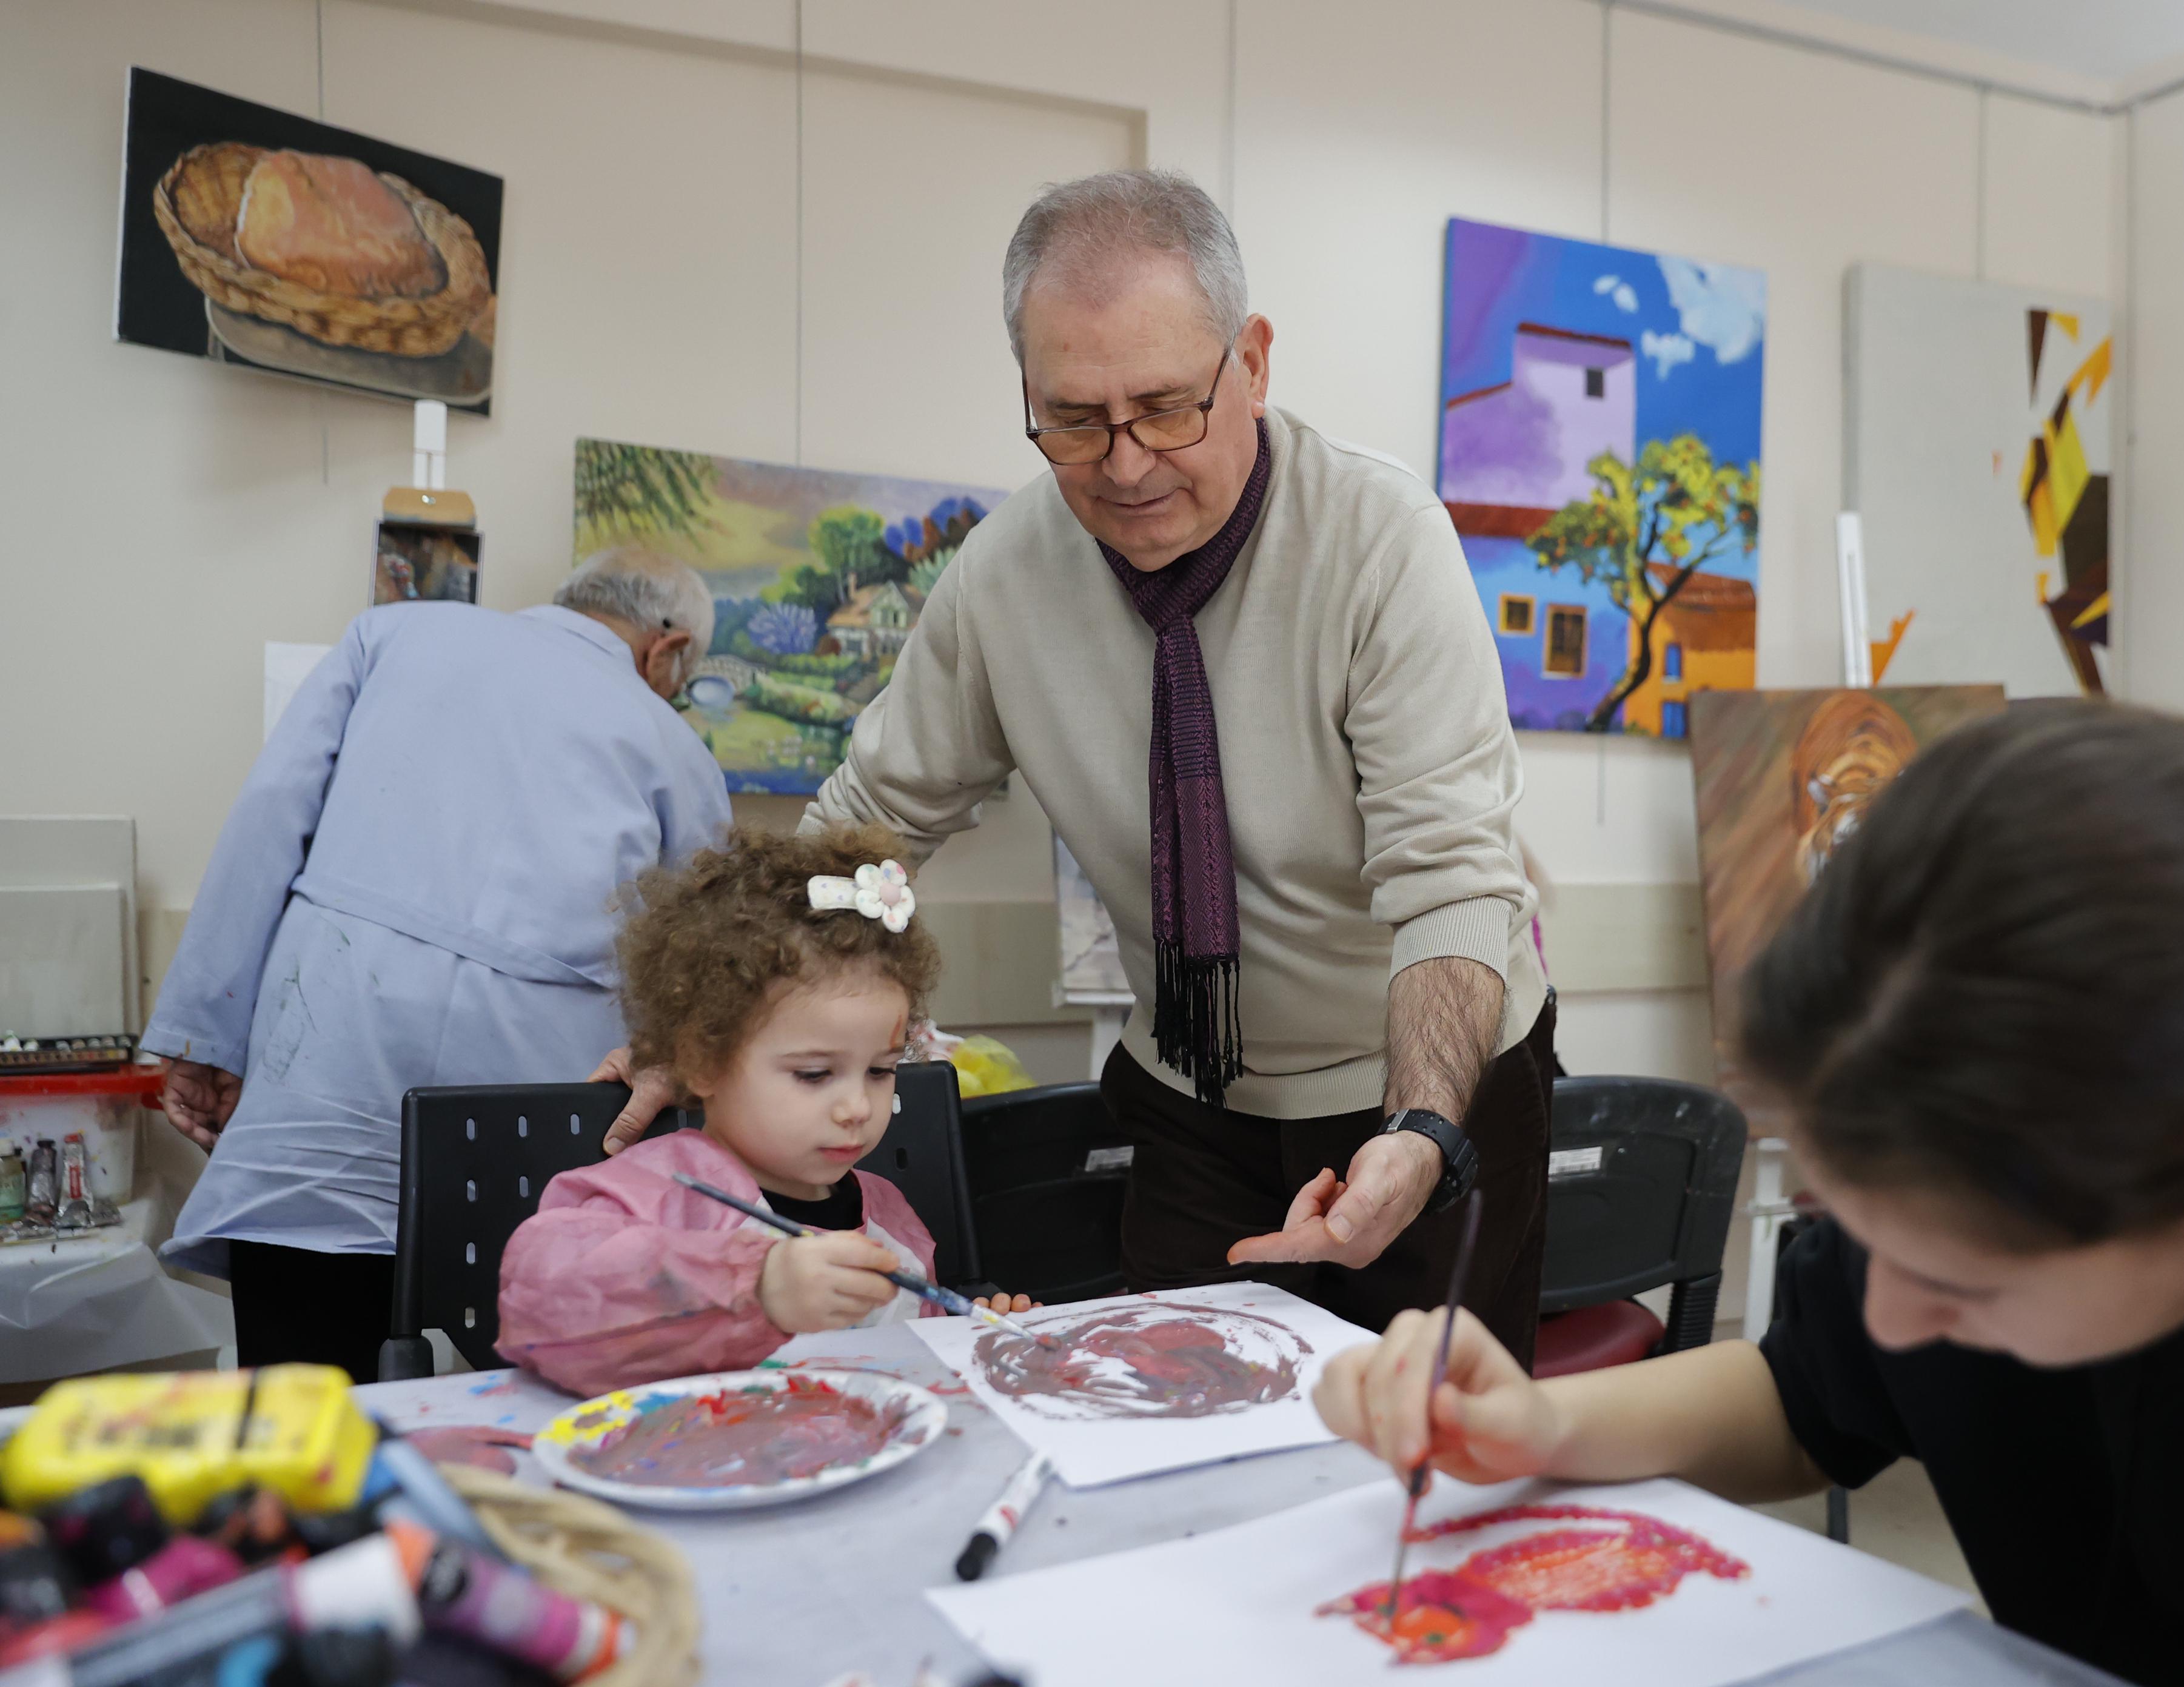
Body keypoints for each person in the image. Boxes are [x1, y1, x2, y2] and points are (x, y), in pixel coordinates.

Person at [1319, 702, 2184, 1687]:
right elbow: (1819, 1388)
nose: (1890, 1312)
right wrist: (1549, 1428)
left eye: (1958, 1280)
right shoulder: (2052, 1111)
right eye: (1857, 1227)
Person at [601, 170, 1555, 1361]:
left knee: (1426, 1451)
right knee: (1176, 1422)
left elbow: (1453, 879)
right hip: (1192, 1100)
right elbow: (871, 834)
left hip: (1429, 1086)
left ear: (1253, 363)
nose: (1126, 464)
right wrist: (713, 1014)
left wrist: (1418, 1130)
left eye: (1166, 407)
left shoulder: (1378, 541)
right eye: (1074, 418)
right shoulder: (1005, 576)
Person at [144, 550, 734, 1384]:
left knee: (307, 1418)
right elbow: (698, 961)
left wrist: (206, 1038)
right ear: (666, 651)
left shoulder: (388, 635)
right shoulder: (676, 749)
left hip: (327, 1076)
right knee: (537, 1412)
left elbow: (267, 824)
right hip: (531, 1127)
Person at [498, 828, 1035, 1395]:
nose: (856, 1107)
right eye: (813, 1074)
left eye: (880, 1071)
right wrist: (755, 1288)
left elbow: (899, 1349)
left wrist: (972, 1338)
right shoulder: (647, 1197)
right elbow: (539, 1307)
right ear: (703, 1061)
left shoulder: (889, 1216)